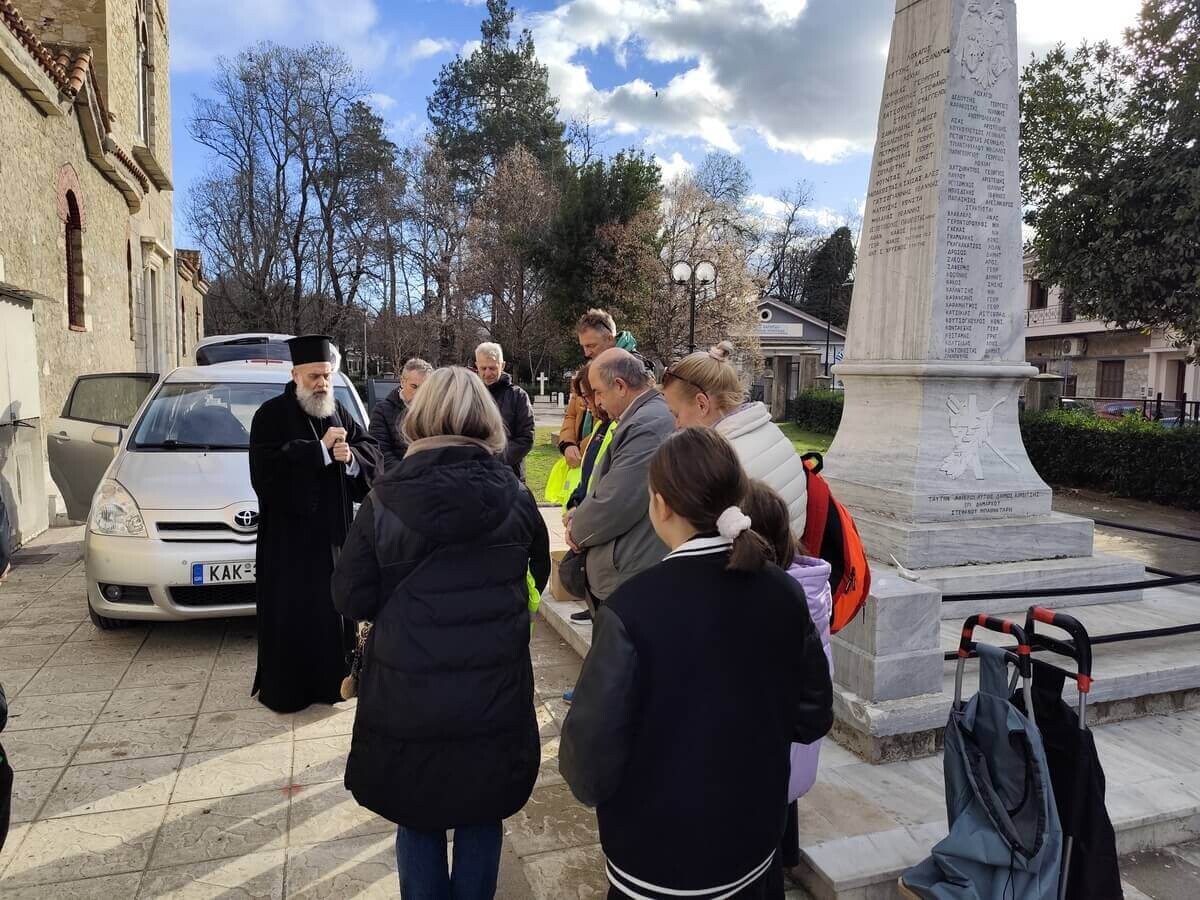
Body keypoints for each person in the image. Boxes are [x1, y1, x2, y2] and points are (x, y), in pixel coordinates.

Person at [559, 427, 834, 899]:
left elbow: (588, 762)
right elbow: (812, 716)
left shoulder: (632, 610)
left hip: (657, 861)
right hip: (753, 845)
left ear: (661, 505)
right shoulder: (782, 591)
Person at [332, 366, 550, 900]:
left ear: (419, 417)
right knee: (482, 814)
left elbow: (350, 596)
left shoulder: (384, 500)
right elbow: (535, 579)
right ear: (487, 418)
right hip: (493, 691)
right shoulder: (516, 499)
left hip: (408, 692)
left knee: (417, 815)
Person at [248, 335, 381, 713]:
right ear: (294, 375)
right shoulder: (270, 416)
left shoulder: (337, 411)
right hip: (288, 545)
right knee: (293, 615)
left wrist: (351, 456)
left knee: (331, 615)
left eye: (326, 376)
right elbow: (266, 474)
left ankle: (331, 684)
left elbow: (372, 451)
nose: (321, 384)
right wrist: (320, 452)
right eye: (313, 377)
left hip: (333, 539)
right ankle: (289, 691)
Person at [742, 479, 834, 883]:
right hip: (792, 750)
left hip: (771, 754)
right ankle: (783, 858)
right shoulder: (805, 584)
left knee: (761, 844)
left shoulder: (778, 600)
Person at [566, 348, 674, 607]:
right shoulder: (642, 417)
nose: (597, 402)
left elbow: (617, 501)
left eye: (598, 392)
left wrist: (577, 530)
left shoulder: (647, 425)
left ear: (620, 386)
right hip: (629, 567)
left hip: (631, 572)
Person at [662, 342, 808, 534]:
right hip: (785, 552)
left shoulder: (721, 461)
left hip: (754, 559)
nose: (677, 425)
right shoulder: (770, 431)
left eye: (676, 414)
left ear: (702, 404)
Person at [558, 309, 652, 467]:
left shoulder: (636, 370)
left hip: (607, 458)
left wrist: (581, 448)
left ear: (610, 338)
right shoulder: (590, 367)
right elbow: (573, 413)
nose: (586, 353)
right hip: (584, 456)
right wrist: (567, 444)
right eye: (583, 346)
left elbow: (610, 423)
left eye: (591, 345)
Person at [561, 363, 614, 624]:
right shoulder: (601, 426)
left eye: (588, 396)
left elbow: (610, 485)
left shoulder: (617, 427)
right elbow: (590, 472)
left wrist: (582, 520)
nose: (584, 403)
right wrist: (574, 504)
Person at [475, 342, 535, 481]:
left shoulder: (518, 396)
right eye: (483, 368)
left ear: (502, 366)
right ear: (476, 365)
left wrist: (493, 460)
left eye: (492, 368)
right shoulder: (470, 395)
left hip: (509, 476)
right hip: (475, 476)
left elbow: (526, 438)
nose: (488, 373)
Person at [369, 357, 433, 471]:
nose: (418, 393)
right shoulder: (382, 411)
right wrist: (407, 474)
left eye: (424, 388)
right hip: (397, 481)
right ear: (402, 382)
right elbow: (381, 452)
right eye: (414, 386)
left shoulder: (434, 411)